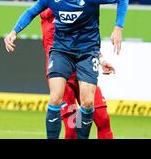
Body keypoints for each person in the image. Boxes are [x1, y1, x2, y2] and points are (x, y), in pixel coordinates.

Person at [4, 0, 128, 139]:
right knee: (69, 122)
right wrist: (14, 31)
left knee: (100, 117)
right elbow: (31, 12)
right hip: (63, 62)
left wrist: (117, 30)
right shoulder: (50, 1)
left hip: (86, 57)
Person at [40, 8, 114, 139]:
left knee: (103, 119)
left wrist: (101, 60)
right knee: (72, 127)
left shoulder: (77, 14)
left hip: (85, 73)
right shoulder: (48, 15)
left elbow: (88, 42)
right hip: (63, 79)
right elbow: (41, 11)